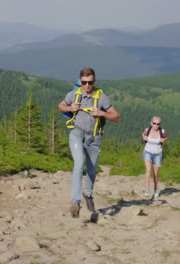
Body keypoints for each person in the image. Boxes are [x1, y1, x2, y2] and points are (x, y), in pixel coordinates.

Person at [58, 67, 120, 218]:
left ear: (94, 81)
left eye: (90, 82)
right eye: (84, 82)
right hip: (77, 134)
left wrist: (102, 113)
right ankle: (75, 202)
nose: (87, 85)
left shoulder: (102, 98)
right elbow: (61, 106)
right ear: (80, 81)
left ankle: (88, 194)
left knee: (91, 170)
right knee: (79, 164)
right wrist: (69, 107)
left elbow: (116, 117)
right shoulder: (74, 95)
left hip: (94, 138)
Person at [141, 116, 168, 198]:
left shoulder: (162, 131)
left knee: (156, 174)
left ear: (160, 124)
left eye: (158, 124)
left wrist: (164, 140)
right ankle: (147, 190)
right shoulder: (147, 130)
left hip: (158, 154)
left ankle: (156, 189)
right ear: (151, 123)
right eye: (154, 123)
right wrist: (143, 137)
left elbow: (166, 137)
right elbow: (143, 134)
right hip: (147, 152)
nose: (156, 125)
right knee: (148, 170)